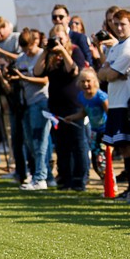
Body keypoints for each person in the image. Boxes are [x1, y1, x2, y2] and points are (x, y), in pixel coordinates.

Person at [34, 25, 89, 191]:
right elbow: (37, 72)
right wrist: (45, 51)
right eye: (54, 38)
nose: (57, 42)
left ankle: (80, 180)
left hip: (74, 106)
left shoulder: (75, 51)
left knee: (78, 144)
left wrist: (63, 51)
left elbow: (73, 70)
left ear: (67, 38)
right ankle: (65, 179)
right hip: (56, 106)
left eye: (61, 38)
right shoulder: (49, 56)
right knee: (62, 145)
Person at [99, 9, 130, 200]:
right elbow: (101, 73)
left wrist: (110, 72)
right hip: (117, 103)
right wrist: (109, 72)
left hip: (129, 103)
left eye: (122, 24)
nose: (118, 28)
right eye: (115, 24)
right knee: (124, 148)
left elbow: (109, 74)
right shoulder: (117, 46)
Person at [12, 29, 52, 190]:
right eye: (23, 49)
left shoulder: (42, 55)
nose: (26, 52)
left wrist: (24, 78)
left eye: (28, 48)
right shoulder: (21, 58)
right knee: (29, 142)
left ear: (34, 42)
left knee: (39, 141)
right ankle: (41, 174)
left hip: (41, 101)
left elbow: (44, 80)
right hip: (26, 103)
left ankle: (41, 177)